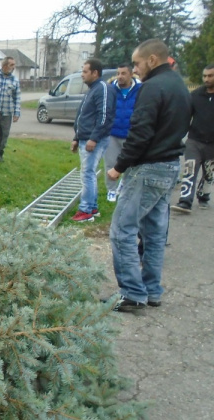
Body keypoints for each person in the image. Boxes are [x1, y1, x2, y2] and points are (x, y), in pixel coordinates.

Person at [106, 39, 191, 311]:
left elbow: (140, 133)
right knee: (154, 233)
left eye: (138, 63)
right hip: (170, 166)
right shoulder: (179, 85)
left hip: (148, 168)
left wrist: (118, 166)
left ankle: (132, 293)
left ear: (152, 60)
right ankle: (151, 289)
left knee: (122, 229)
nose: (135, 69)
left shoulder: (152, 88)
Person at [70, 58, 116, 222]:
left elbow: (104, 117)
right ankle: (92, 207)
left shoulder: (103, 89)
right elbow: (84, 115)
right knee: (88, 174)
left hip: (94, 140)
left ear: (95, 73)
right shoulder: (92, 89)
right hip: (85, 138)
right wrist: (77, 137)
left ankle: (86, 210)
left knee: (87, 174)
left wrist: (94, 139)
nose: (82, 75)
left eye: (85, 71)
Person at [170, 64, 214, 213]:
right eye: (205, 76)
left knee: (209, 174)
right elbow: (186, 116)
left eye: (210, 76)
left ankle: (203, 197)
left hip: (213, 144)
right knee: (190, 170)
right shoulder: (195, 95)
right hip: (195, 140)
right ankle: (185, 202)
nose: (206, 79)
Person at [104, 64, 141, 202]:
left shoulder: (140, 89)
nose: (120, 76)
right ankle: (111, 190)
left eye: (123, 73)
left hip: (130, 134)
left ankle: (125, 187)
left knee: (131, 164)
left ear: (131, 74)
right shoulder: (111, 89)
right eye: (118, 73)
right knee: (110, 163)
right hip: (112, 134)